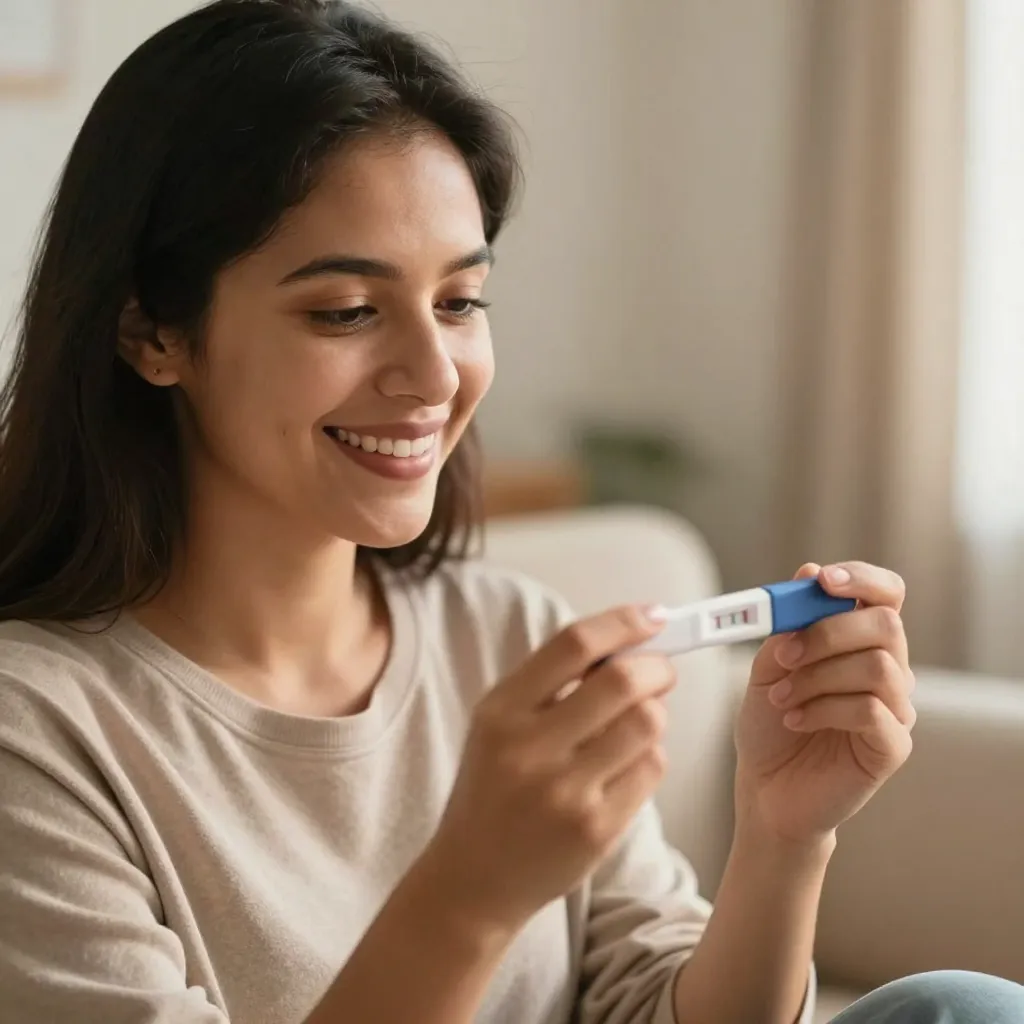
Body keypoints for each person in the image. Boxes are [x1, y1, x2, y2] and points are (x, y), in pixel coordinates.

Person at [0, 2, 1020, 1022]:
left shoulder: (507, 635)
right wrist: (468, 895)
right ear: (152, 332)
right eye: (346, 311)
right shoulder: (37, 731)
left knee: (954, 1007)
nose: (433, 373)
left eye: (459, 302)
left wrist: (782, 835)